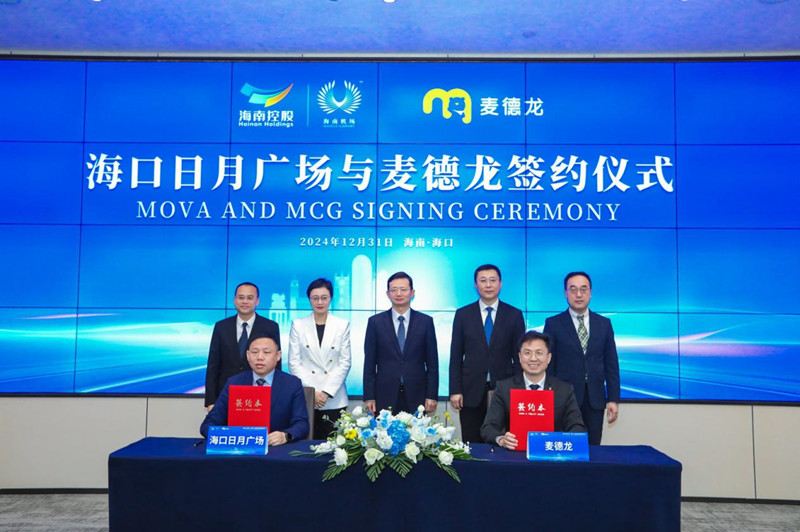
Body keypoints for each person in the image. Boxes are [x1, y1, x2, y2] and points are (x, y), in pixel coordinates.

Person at [449, 264, 525, 443]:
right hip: (470, 391)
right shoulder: (463, 314)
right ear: (476, 285)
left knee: (504, 442)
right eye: (483, 281)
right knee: (472, 442)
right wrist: (455, 390)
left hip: (505, 389)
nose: (488, 285)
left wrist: (519, 389)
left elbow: (520, 357)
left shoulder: (514, 315)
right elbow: (456, 356)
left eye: (493, 280)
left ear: (500, 284)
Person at [543, 271, 620, 445]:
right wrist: (548, 397)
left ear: (590, 292)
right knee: (564, 447)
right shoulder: (553, 323)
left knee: (593, 448)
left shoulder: (604, 324)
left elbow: (611, 364)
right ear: (565, 293)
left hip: (595, 398)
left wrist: (613, 398)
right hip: (563, 398)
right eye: (573, 289)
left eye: (583, 289)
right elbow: (549, 364)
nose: (579, 294)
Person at [481, 330, 586, 449]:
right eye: (527, 353)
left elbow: (578, 427)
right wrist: (501, 439)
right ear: (520, 357)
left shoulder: (564, 390)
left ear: (548, 358)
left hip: (551, 453)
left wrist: (560, 441)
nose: (533, 358)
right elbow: (488, 428)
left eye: (539, 353)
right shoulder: (504, 388)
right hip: (515, 454)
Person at [200, 335, 309, 445]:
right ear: (248, 355)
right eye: (255, 352)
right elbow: (209, 423)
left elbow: (302, 424)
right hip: (239, 448)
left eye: (266, 352)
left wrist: (285, 435)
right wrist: (227, 436)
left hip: (276, 448)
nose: (260, 357)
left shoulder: (292, 384)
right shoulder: (234, 382)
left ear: (278, 356)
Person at [363, 271, 439, 414]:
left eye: (403, 289)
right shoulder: (375, 322)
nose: (398, 293)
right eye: (394, 290)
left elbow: (432, 364)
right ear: (387, 294)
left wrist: (432, 395)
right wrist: (369, 396)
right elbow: (369, 363)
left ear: (412, 293)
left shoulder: (425, 322)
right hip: (384, 394)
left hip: (418, 394)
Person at [288, 278, 352, 439]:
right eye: (315, 298)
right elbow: (294, 363)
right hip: (307, 396)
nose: (320, 302)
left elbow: (345, 362)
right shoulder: (298, 325)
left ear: (331, 298)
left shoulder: (342, 325)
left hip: (334, 398)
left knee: (332, 447)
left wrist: (325, 393)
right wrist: (314, 393)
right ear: (309, 299)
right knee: (303, 445)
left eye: (324, 297)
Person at [204, 282, 281, 411]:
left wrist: (276, 398)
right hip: (226, 395)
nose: (245, 301)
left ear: (257, 301)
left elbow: (275, 364)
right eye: (241, 297)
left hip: (259, 395)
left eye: (250, 298)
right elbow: (213, 365)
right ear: (235, 300)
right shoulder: (221, 327)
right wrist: (211, 401)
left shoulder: (270, 327)